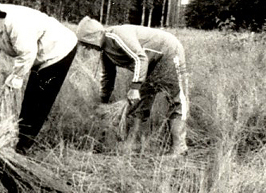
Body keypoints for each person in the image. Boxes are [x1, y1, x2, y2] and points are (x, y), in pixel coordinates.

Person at [0, 0, 79, 154]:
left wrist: (13, 82)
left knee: (38, 100)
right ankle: (17, 142)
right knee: (29, 99)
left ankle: (21, 149)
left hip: (59, 49)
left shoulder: (14, 22)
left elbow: (27, 53)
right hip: (38, 53)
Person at [75, 17, 189, 156]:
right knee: (140, 103)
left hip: (169, 52)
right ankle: (134, 144)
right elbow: (108, 77)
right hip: (150, 63)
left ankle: (179, 148)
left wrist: (135, 88)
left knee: (177, 99)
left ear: (96, 35)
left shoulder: (117, 36)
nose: (86, 47)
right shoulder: (105, 52)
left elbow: (140, 58)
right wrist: (102, 102)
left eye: (86, 42)